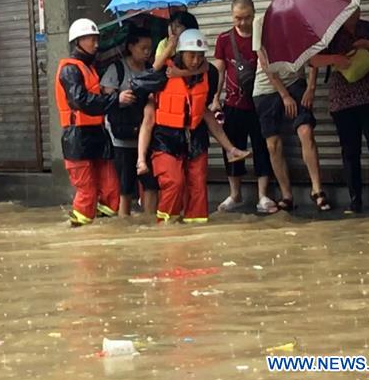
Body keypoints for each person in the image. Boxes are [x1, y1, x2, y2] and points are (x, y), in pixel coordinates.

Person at [136, 29, 251, 223]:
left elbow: (205, 112)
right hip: (166, 137)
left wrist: (230, 148)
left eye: (200, 56)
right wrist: (141, 159)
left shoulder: (209, 74)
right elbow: (139, 87)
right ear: (180, 53)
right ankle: (165, 227)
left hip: (195, 137)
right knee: (174, 182)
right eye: (191, 55)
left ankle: (196, 230)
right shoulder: (164, 73)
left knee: (198, 186)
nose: (196, 60)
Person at [253, 0, 330, 212]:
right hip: (267, 87)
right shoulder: (261, 21)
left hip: (297, 82)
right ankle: (287, 195)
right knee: (273, 144)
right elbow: (264, 62)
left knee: (306, 130)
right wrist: (283, 94)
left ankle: (317, 189)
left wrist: (311, 86)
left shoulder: (302, 17)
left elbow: (313, 55)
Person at [312, 9, 369, 213]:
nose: (351, 14)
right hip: (342, 101)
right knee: (350, 151)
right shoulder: (329, 34)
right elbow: (312, 60)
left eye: (355, 9)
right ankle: (355, 201)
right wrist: (335, 58)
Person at [56, 19, 135, 226]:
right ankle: (80, 235)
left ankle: (99, 235)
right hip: (77, 136)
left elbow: (93, 98)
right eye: (91, 39)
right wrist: (114, 99)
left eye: (96, 39)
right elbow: (80, 100)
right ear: (79, 41)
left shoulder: (89, 67)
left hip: (96, 134)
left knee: (111, 191)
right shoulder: (70, 70)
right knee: (87, 191)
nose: (96, 44)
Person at [211, 0, 277, 214]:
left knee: (262, 148)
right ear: (232, 17)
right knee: (232, 148)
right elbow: (219, 71)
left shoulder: (264, 35)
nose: (242, 23)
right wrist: (215, 99)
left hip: (261, 101)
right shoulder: (223, 39)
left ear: (253, 14)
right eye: (238, 18)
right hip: (233, 103)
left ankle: (263, 196)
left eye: (247, 17)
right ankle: (235, 194)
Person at [100, 28, 155, 216]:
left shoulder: (150, 70)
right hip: (121, 136)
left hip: (144, 133)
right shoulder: (117, 69)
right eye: (143, 48)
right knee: (125, 184)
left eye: (150, 48)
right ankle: (124, 219)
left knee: (150, 181)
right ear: (131, 47)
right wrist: (120, 97)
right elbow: (106, 93)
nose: (147, 52)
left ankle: (149, 218)